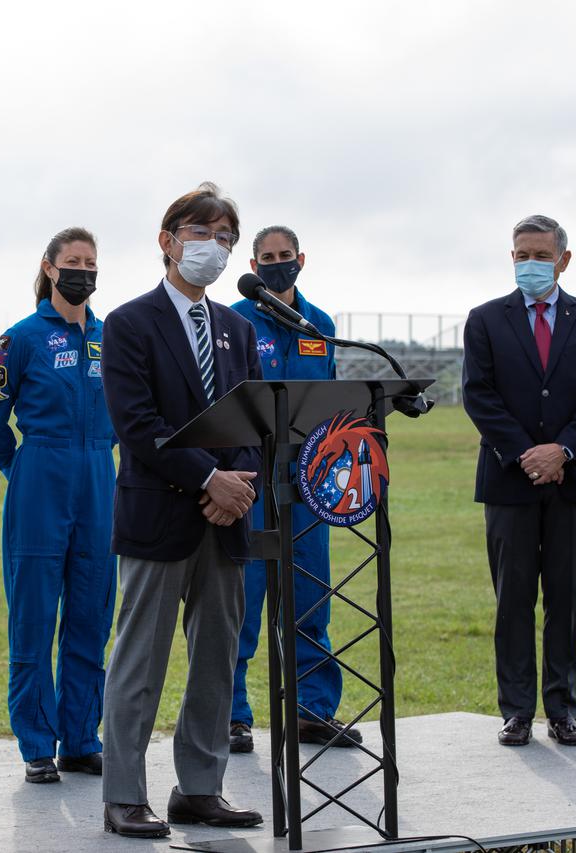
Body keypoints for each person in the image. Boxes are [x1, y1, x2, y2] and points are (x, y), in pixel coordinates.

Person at [99, 183, 265, 839]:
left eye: (225, 237)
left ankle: (200, 787)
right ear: (167, 241)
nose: (214, 247)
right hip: (158, 514)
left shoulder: (238, 328)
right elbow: (138, 424)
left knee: (217, 657)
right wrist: (209, 478)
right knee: (140, 659)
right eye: (201, 233)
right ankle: (123, 795)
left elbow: (255, 420)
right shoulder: (129, 323)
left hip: (227, 521)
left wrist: (239, 486)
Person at [461, 214, 576, 749]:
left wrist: (564, 451)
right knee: (513, 598)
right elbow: (479, 394)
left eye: (540, 255)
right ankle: (516, 712)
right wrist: (525, 453)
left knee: (566, 599)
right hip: (510, 480)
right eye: (520, 254)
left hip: (574, 481)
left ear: (564, 259)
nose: (530, 263)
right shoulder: (485, 320)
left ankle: (563, 708)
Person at [0, 227, 117, 784]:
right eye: (73, 261)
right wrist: (23, 471)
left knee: (91, 615)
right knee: (33, 618)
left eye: (91, 262)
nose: (83, 270)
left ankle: (81, 738)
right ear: (50, 268)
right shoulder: (20, 339)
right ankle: (36, 742)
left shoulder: (113, 337)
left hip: (99, 480)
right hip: (40, 480)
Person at [228, 226, 361, 753]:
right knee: (243, 601)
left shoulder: (319, 324)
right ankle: (231, 715)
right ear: (253, 265)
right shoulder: (233, 321)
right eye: (268, 258)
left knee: (310, 598)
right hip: (249, 480)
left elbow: (330, 403)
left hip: (308, 481)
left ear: (301, 260)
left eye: (286, 256)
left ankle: (312, 710)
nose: (278, 264)